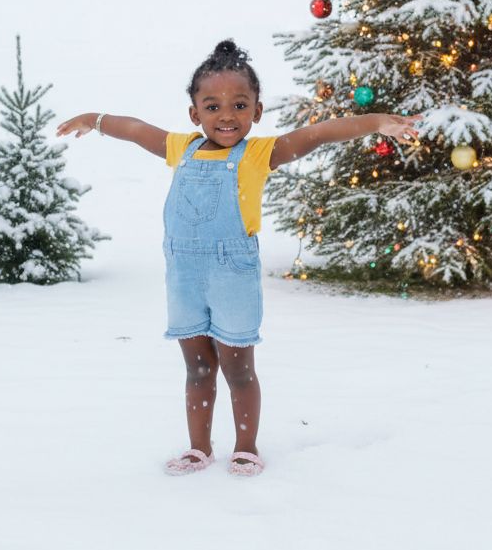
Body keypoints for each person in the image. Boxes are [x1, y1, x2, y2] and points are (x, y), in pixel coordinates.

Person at [56, 39, 420, 478]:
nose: (226, 115)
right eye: (212, 106)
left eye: (239, 104)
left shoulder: (260, 154)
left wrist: (378, 121)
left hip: (233, 274)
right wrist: (94, 121)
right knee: (197, 366)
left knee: (237, 367)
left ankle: (245, 446)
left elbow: (320, 132)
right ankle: (198, 448)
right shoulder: (180, 147)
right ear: (195, 114)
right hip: (185, 275)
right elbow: (134, 129)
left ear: (257, 111)